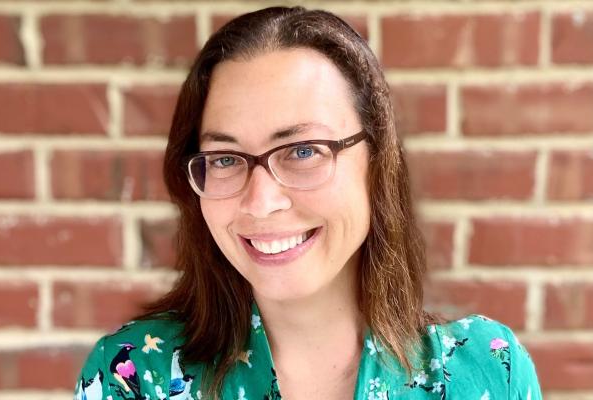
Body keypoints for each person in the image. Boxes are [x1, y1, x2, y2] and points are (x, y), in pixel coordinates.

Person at [74, 6, 542, 400]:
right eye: (224, 159)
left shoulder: (487, 372)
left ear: (378, 163)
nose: (260, 202)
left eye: (303, 151)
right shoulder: (135, 376)